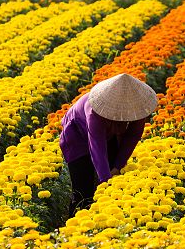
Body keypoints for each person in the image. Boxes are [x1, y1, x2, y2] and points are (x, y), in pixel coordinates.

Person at [59, 74, 157, 215]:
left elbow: (133, 135)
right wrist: (105, 181)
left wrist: (118, 166)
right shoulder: (95, 112)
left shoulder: (137, 109)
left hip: (108, 135)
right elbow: (96, 146)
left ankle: (107, 217)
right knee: (83, 190)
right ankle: (72, 228)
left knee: (115, 177)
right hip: (76, 136)